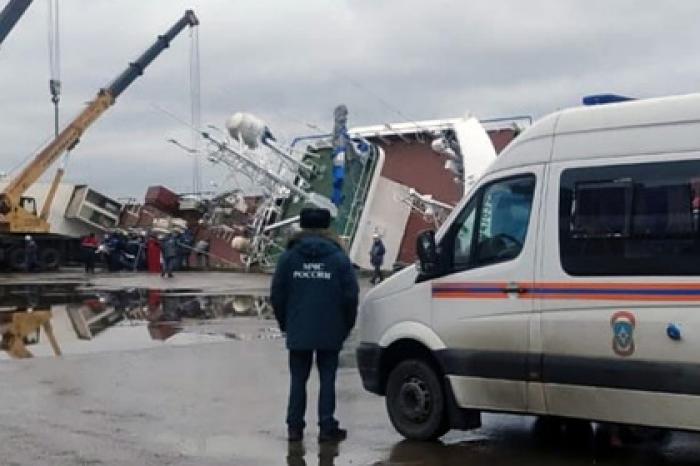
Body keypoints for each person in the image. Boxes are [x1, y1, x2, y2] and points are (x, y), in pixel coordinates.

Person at [271, 207, 359, 443]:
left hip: (298, 327)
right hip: (331, 328)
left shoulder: (289, 257)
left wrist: (285, 323)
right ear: (327, 227)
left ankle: (294, 428)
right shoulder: (339, 258)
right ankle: (327, 426)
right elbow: (351, 295)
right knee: (328, 378)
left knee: (298, 379)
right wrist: (346, 325)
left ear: (301, 225)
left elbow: (277, 294)